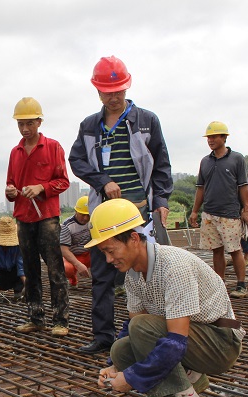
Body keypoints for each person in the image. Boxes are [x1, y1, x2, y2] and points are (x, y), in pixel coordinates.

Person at [88, 199, 244, 397]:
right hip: (195, 340)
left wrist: (132, 377)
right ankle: (192, 378)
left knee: (142, 327)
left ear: (133, 239)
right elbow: (131, 331)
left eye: (110, 251)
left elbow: (175, 341)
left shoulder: (173, 267)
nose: (108, 259)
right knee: (121, 350)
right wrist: (116, 366)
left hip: (220, 344)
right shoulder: (133, 273)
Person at [69, 55, 173, 354]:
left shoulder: (146, 120)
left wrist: (162, 199)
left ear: (127, 88)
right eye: (107, 92)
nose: (113, 98)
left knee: (147, 272)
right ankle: (103, 337)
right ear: (97, 91)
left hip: (138, 210)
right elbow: (76, 160)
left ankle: (153, 334)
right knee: (102, 276)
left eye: (118, 92)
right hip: (104, 214)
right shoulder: (90, 126)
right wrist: (102, 181)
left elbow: (162, 163)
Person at [4, 97, 70, 337]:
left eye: (29, 123)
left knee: (55, 269)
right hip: (23, 216)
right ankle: (35, 317)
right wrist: (10, 191)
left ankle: (61, 319)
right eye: (21, 124)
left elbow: (63, 181)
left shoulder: (53, 147)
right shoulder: (16, 152)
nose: (25, 129)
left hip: (47, 218)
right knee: (30, 270)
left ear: (39, 122)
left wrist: (42, 188)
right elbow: (11, 185)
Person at [190, 121, 248, 298]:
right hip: (210, 212)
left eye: (214, 136)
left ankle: (241, 285)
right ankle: (220, 283)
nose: (211, 140)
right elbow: (201, 188)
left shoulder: (237, 159)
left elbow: (243, 186)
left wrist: (245, 209)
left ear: (224, 137)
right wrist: (195, 211)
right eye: (209, 137)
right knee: (216, 249)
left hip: (230, 213)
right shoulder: (205, 161)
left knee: (234, 249)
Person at [61, 195, 92, 288]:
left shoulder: (93, 221)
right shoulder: (67, 225)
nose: (85, 218)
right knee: (66, 268)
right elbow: (63, 249)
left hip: (90, 254)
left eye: (88, 215)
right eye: (82, 214)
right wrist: (77, 264)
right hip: (74, 256)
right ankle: (73, 279)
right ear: (76, 211)